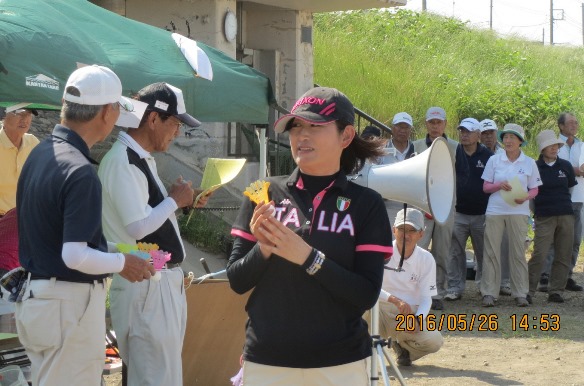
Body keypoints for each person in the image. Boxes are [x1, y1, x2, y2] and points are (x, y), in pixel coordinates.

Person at [226, 86, 392, 386]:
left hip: (341, 365)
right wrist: (264, 248)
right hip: (267, 362)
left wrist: (309, 258)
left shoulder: (367, 204)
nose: (302, 135)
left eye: (315, 126)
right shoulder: (264, 193)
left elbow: (366, 294)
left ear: (346, 136)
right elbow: (237, 280)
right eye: (296, 126)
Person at [15, 65, 155, 386]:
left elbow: (57, 239)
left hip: (38, 300)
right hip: (66, 305)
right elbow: (74, 255)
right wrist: (124, 262)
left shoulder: (39, 154)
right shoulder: (80, 171)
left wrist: (118, 252)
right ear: (107, 112)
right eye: (117, 108)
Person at [98, 82, 210, 386]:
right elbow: (137, 226)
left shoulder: (136, 158)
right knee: (154, 378)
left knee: (162, 376)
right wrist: (175, 200)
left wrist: (184, 201)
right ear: (153, 119)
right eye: (174, 123)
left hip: (154, 281)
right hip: (146, 284)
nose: (177, 132)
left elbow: (147, 219)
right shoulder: (124, 161)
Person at [480, 124, 542, 307]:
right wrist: (499, 185)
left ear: (520, 142)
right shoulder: (494, 160)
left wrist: (525, 198)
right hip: (495, 211)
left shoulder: (529, 162)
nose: (507, 141)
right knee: (491, 251)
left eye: (512, 138)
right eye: (505, 137)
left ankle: (521, 293)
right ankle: (489, 293)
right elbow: (485, 188)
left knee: (518, 253)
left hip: (519, 212)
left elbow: (535, 189)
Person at [377, 208, 443, 366]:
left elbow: (427, 299)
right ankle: (362, 355)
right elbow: (370, 286)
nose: (406, 235)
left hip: (410, 313)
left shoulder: (426, 259)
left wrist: (418, 319)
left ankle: (402, 349)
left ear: (422, 233)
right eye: (401, 229)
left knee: (434, 341)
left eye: (412, 230)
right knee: (364, 306)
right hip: (382, 309)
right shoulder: (380, 252)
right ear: (393, 230)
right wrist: (394, 300)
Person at [412, 107, 458, 310]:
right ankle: (415, 290)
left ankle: (438, 292)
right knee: (419, 249)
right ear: (426, 124)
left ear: (445, 124)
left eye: (439, 122)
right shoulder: (416, 146)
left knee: (442, 251)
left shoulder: (456, 147)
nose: (435, 126)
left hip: (446, 206)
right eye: (432, 122)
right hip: (421, 206)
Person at [445, 118, 493, 301]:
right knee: (455, 252)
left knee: (483, 252)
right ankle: (455, 287)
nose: (464, 135)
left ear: (478, 135)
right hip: (458, 211)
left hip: (482, 212)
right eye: (462, 131)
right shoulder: (454, 153)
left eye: (468, 132)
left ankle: (483, 286)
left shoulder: (488, 155)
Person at [528, 130, 576, 304]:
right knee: (539, 254)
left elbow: (569, 189)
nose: (554, 148)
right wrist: (536, 212)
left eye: (556, 145)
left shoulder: (566, 166)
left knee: (563, 254)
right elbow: (531, 194)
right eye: (550, 145)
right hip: (544, 216)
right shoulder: (534, 167)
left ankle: (556, 291)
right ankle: (528, 290)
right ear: (542, 149)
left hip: (566, 215)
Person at [538, 112, 584, 292]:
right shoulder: (554, 145)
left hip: (579, 197)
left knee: (574, 240)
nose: (574, 125)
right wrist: (576, 171)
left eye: (576, 122)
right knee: (552, 239)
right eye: (570, 123)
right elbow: (549, 165)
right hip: (558, 199)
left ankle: (567, 275)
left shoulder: (582, 145)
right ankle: (546, 275)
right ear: (561, 126)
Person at [0, 105, 39, 216]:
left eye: (28, 114)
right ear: (3, 115)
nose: (25, 119)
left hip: (25, 218)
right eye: (20, 113)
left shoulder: (33, 142)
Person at [379, 112, 416, 223]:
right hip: (388, 205)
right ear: (392, 128)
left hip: (412, 205)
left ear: (410, 130)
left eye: (406, 127)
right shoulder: (380, 149)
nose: (402, 130)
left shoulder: (417, 149)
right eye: (399, 126)